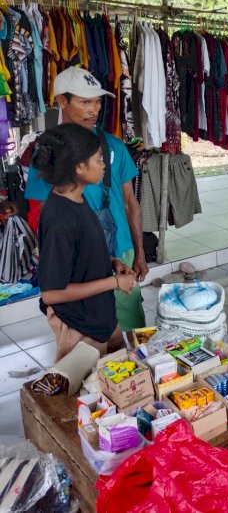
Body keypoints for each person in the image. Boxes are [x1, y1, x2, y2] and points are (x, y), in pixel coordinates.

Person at [24, 67, 146, 332]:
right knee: (86, 329)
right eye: (85, 101)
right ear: (62, 101)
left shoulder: (114, 146)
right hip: (79, 258)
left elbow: (129, 203)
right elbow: (44, 216)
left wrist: (140, 252)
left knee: (132, 327)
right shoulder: (47, 153)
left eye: (98, 101)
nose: (95, 109)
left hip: (120, 248)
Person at [33, 124, 136, 362]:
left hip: (101, 317)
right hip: (79, 327)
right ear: (79, 167)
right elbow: (51, 294)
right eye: (99, 159)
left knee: (119, 385)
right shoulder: (60, 219)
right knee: (86, 395)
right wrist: (114, 282)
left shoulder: (77, 198)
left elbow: (81, 252)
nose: (103, 165)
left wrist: (113, 262)